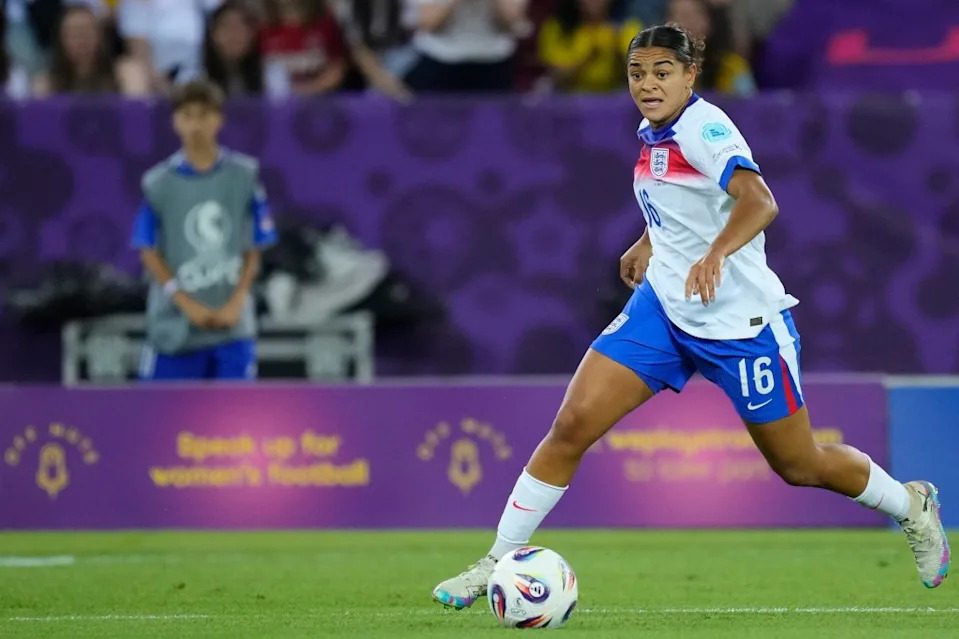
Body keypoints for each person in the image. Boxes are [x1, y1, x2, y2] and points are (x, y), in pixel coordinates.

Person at [431, 23, 950, 609]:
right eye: (636, 74)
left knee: (800, 465)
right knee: (572, 425)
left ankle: (913, 505)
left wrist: (715, 253)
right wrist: (650, 242)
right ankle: (497, 560)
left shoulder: (705, 127)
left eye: (661, 73)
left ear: (688, 76)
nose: (647, 85)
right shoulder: (655, 132)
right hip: (665, 310)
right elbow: (685, 201)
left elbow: (760, 201)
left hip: (741, 327)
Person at [130, 79, 278, 381]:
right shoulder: (158, 184)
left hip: (232, 328)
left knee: (234, 423)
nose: (196, 124)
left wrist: (237, 302)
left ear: (219, 119)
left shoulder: (245, 176)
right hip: (174, 330)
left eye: (204, 114)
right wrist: (186, 303)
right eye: (187, 115)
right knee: (161, 422)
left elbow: (254, 247)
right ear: (175, 122)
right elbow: (148, 251)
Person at [33, 4, 148, 96]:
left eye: (87, 31)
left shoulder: (125, 73)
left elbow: (137, 114)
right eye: (74, 33)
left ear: (100, 36)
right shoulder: (47, 84)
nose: (81, 40)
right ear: (60, 40)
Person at [538, 0, 642, 93]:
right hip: (569, 98)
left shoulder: (626, 27)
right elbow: (558, 78)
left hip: (613, 97)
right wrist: (587, 59)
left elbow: (640, 75)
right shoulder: (558, 28)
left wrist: (617, 54)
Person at [204, 0, 264, 96]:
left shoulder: (269, 76)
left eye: (241, 27)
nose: (235, 35)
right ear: (213, 34)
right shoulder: (197, 77)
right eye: (228, 27)